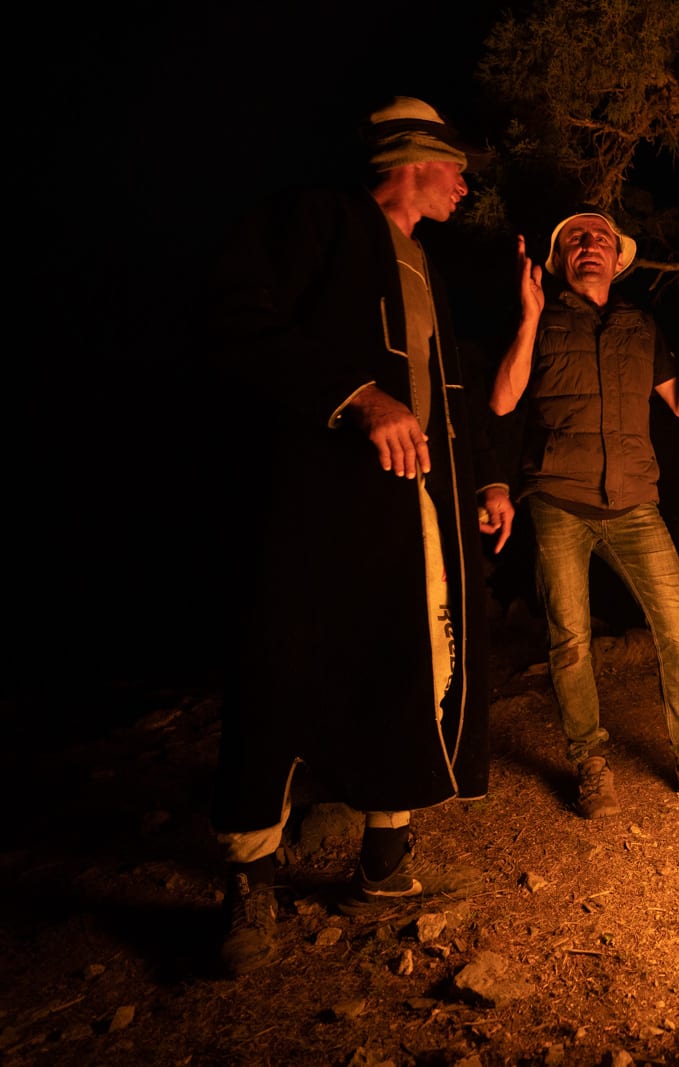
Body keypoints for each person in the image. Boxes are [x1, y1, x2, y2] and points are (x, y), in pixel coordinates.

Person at [207, 96, 522, 976]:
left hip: (417, 504)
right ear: (414, 157)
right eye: (455, 165)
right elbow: (238, 317)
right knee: (282, 662)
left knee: (412, 657)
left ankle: (384, 861)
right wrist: (357, 395)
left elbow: (446, 385)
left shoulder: (425, 263)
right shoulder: (320, 220)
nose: (465, 184)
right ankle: (248, 882)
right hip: (316, 503)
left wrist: (488, 478)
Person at [489, 208, 679, 819]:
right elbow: (503, 399)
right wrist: (529, 321)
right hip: (559, 499)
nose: (591, 245)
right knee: (572, 640)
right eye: (577, 238)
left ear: (617, 258)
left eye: (602, 238)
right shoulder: (542, 317)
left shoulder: (640, 325)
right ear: (561, 259)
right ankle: (589, 764)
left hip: (634, 501)